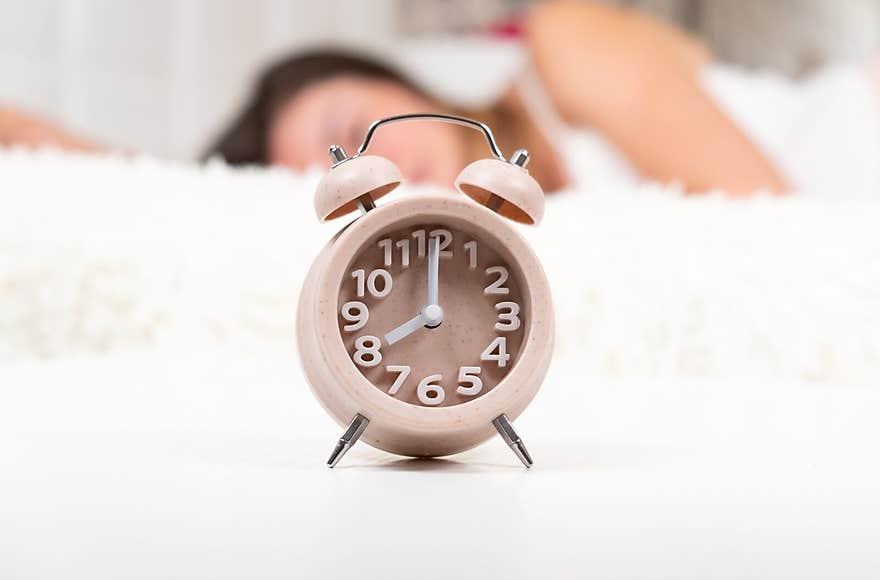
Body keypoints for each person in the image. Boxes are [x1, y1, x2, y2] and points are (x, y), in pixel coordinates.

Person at [3, 2, 878, 197]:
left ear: (400, 82)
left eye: (351, 132)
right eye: (342, 183)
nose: (373, 167)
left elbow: (778, 227)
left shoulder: (560, 45)